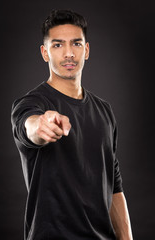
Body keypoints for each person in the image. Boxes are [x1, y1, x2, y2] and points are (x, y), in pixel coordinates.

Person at [11, 9, 133, 240]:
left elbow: (113, 183)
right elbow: (28, 126)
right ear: (44, 53)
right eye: (57, 45)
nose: (68, 53)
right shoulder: (31, 103)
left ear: (86, 50)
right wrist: (40, 126)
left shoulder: (104, 110)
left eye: (76, 43)